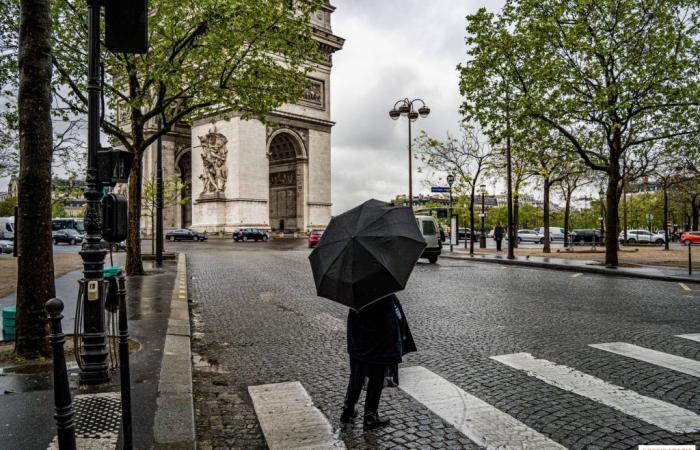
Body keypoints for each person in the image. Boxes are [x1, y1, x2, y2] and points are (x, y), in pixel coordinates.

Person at [341, 293, 416, 430]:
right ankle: (370, 416)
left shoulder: (354, 285)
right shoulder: (382, 288)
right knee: (377, 376)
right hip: (379, 339)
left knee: (357, 373)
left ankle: (348, 409)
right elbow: (392, 317)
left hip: (358, 336)